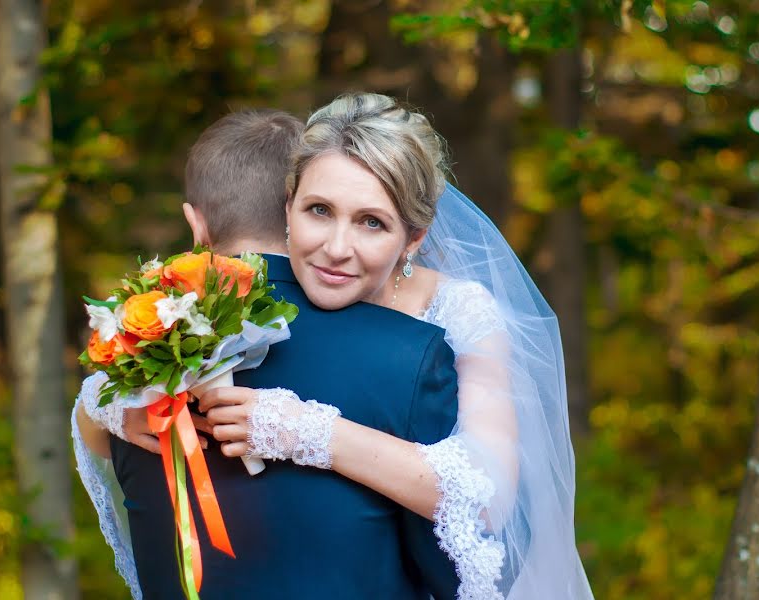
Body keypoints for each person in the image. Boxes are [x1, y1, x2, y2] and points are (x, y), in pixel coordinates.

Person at [192, 93, 595, 599]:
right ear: (288, 206)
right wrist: (121, 413)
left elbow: (488, 496)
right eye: (320, 210)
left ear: (413, 239)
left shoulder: (461, 313)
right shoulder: (245, 291)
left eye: (371, 222)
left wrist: (306, 431)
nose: (336, 249)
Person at [73, 108, 462, 599]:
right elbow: (457, 567)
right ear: (289, 209)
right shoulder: (410, 357)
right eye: (322, 210)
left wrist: (99, 402)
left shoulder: (134, 363)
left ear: (195, 223)